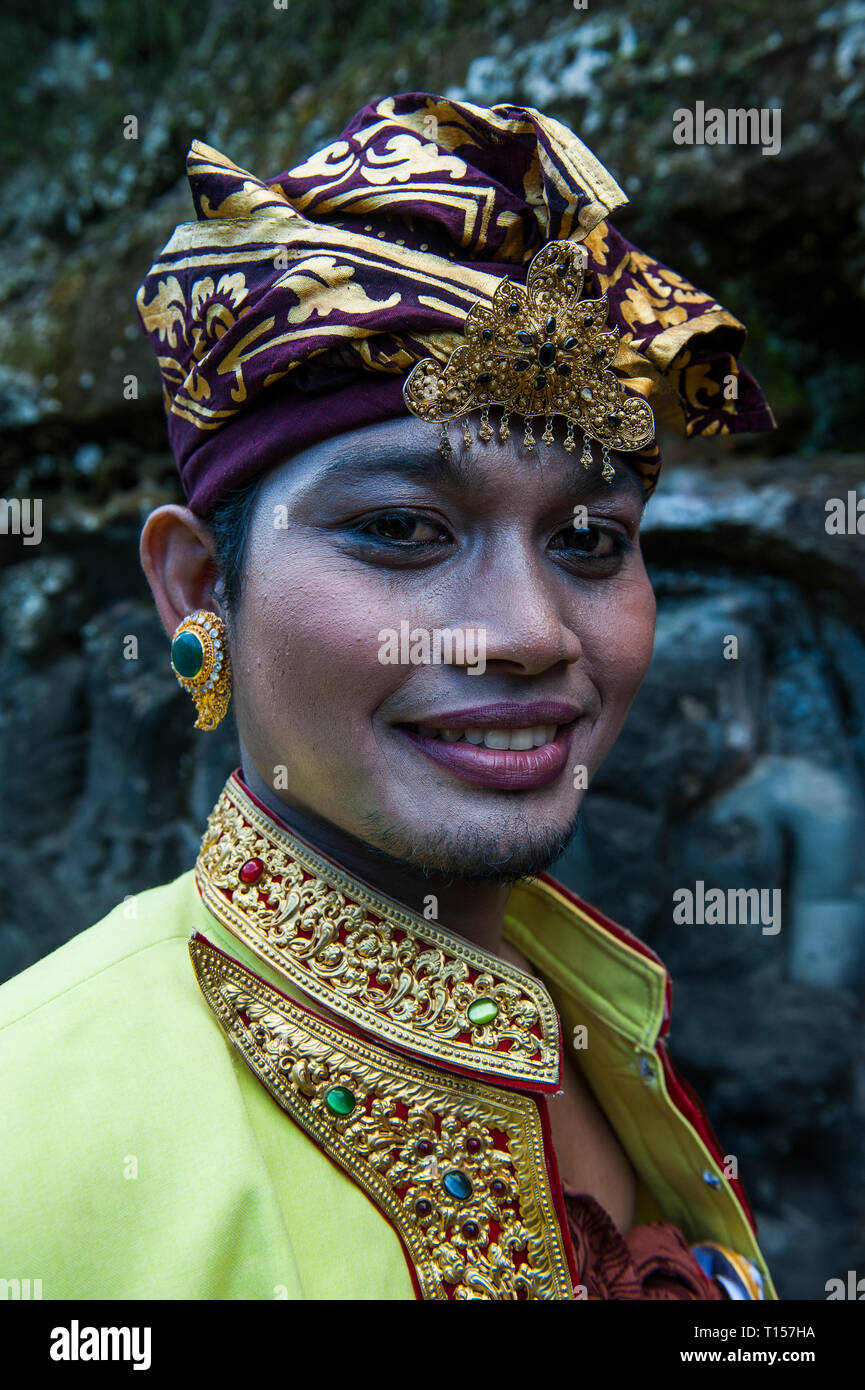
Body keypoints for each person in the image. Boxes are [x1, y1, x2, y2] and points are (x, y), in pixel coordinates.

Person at [0, 93, 777, 1301]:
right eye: (402, 528)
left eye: (587, 542)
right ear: (201, 586)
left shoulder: (605, 1026)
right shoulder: (29, 1136)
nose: (526, 634)